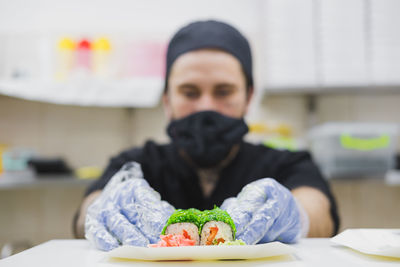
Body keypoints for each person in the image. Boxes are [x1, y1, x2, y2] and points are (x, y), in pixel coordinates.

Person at [73, 20, 339, 250]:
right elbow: (84, 216)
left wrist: (297, 216)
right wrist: (101, 211)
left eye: (223, 91)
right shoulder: (136, 163)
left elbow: (320, 214)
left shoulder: (287, 164)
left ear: (248, 98)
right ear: (167, 101)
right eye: (190, 92)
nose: (206, 107)